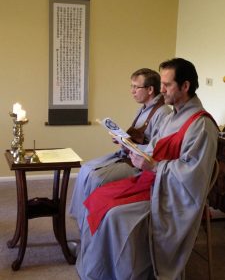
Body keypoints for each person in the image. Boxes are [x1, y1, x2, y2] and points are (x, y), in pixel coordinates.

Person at [75, 58, 219, 280]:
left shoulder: (201, 125)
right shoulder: (172, 116)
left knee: (114, 214)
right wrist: (131, 146)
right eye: (161, 83)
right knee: (99, 196)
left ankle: (118, 272)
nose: (161, 90)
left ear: (185, 86)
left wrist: (155, 166)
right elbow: (153, 147)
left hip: (172, 195)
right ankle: (98, 264)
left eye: (167, 84)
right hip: (154, 180)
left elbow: (193, 174)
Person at [69, 68, 171, 229]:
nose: (132, 91)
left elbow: (158, 148)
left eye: (136, 87)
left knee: (97, 179)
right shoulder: (144, 108)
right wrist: (122, 138)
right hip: (128, 154)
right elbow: (140, 137)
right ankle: (82, 220)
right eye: (131, 86)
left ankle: (91, 226)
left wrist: (130, 144)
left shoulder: (163, 112)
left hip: (141, 165)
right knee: (86, 169)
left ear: (150, 89)